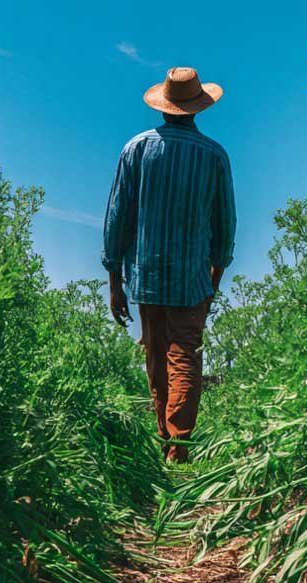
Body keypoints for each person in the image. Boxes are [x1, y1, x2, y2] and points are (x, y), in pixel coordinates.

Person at [101, 67, 237, 463]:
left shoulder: (136, 149)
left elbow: (116, 218)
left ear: (163, 107)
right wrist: (215, 276)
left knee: (156, 354)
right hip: (192, 278)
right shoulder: (214, 155)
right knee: (185, 356)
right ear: (197, 109)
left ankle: (167, 439)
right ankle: (179, 446)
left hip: (146, 275)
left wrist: (114, 280)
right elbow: (224, 224)